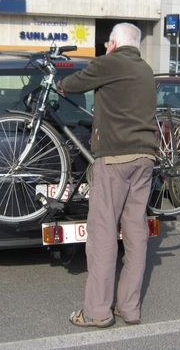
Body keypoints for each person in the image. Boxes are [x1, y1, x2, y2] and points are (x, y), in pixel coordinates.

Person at [57, 23, 157, 327]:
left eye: (106, 44)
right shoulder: (145, 70)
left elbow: (75, 83)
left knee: (102, 236)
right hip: (144, 160)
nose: (104, 49)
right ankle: (129, 308)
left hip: (114, 159)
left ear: (113, 44)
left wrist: (60, 85)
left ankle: (97, 312)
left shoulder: (111, 62)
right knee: (136, 234)